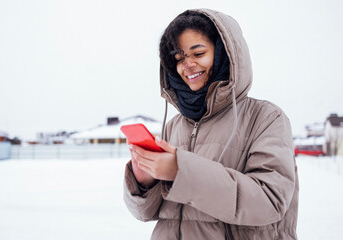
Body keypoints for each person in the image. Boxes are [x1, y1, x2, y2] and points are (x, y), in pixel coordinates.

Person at [123, 8, 298, 240]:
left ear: (225, 54)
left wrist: (180, 170)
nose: (187, 65)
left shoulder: (266, 117)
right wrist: (144, 182)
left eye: (198, 53)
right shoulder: (175, 125)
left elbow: (270, 201)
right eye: (179, 58)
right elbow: (145, 213)